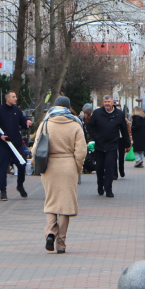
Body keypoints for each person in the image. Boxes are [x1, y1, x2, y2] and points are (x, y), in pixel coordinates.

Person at [35, 96, 87, 254]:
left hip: (49, 166)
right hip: (68, 166)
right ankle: (61, 244)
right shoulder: (75, 124)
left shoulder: (45, 123)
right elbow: (81, 151)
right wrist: (77, 168)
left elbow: (36, 147)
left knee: (51, 202)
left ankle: (50, 232)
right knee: (65, 206)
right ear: (69, 108)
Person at [0, 90, 33, 201]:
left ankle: (20, 185)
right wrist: (0, 136)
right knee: (3, 168)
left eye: (15, 96)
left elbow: (22, 122)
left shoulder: (17, 110)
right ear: (7, 98)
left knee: (22, 165)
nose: (16, 98)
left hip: (17, 144)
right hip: (5, 144)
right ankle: (3, 191)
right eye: (13, 97)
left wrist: (27, 123)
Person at [86, 95, 129, 198]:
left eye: (109, 101)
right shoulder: (97, 113)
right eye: (105, 101)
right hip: (100, 145)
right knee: (100, 167)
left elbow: (124, 130)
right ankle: (100, 185)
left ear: (113, 102)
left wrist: (127, 143)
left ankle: (108, 189)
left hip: (112, 145)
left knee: (110, 167)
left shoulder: (119, 114)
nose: (107, 103)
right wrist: (96, 137)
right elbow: (90, 127)